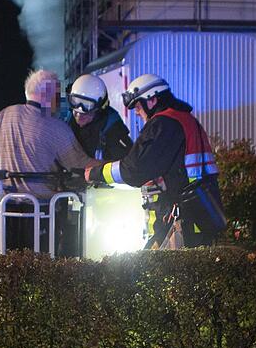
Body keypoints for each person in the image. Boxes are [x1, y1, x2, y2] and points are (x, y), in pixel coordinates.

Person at [85, 73, 224, 248]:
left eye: (138, 106)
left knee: (147, 264)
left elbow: (134, 169)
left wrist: (95, 173)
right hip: (201, 215)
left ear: (152, 100)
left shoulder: (163, 124)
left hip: (180, 222)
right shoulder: (186, 119)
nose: (137, 112)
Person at [0, 69, 100, 253]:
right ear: (47, 94)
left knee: (7, 262)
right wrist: (117, 165)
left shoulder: (7, 114)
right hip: (42, 214)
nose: (59, 101)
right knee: (42, 264)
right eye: (57, 95)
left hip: (5, 211)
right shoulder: (57, 128)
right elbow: (81, 164)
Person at [62, 74, 133, 162]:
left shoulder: (114, 132)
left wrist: (96, 169)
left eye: (87, 105)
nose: (79, 115)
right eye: (75, 102)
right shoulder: (65, 122)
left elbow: (127, 165)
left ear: (99, 110)